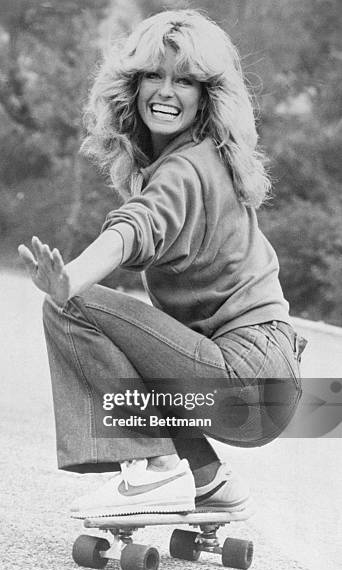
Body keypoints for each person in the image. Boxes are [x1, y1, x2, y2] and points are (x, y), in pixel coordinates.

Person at [18, 9, 306, 519]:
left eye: (186, 80)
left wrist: (72, 280)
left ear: (207, 95)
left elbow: (135, 228)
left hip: (243, 374)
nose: (166, 91)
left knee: (73, 310)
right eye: (154, 75)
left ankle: (154, 468)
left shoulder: (184, 168)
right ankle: (205, 478)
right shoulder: (209, 158)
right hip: (270, 386)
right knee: (127, 348)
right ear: (130, 85)